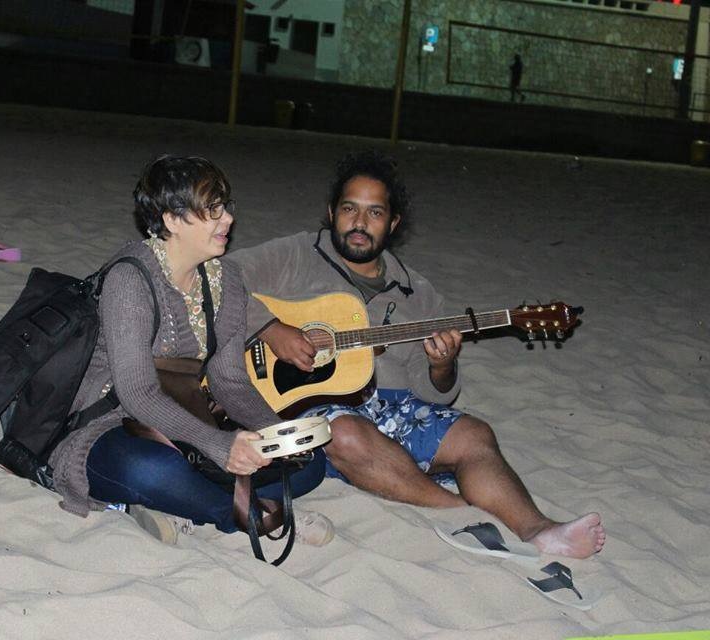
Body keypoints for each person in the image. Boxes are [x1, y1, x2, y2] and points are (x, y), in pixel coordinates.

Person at [228, 150, 605, 559]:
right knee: (344, 432)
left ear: (392, 223)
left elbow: (431, 395)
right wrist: (271, 329)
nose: (359, 222)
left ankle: (539, 530)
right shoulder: (298, 254)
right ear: (332, 212)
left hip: (391, 406)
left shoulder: (417, 292)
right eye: (350, 209)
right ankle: (462, 512)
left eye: (375, 213)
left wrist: (442, 366)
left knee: (474, 435)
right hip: (308, 407)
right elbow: (219, 278)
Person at [47, 155, 333, 546]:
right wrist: (219, 445)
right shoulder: (130, 278)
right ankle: (247, 514)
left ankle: (176, 505)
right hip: (112, 422)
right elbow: (136, 394)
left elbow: (229, 382)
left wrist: (275, 435)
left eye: (225, 207)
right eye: (212, 210)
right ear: (172, 220)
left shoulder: (227, 280)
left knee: (310, 461)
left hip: (189, 416)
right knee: (151, 469)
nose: (227, 219)